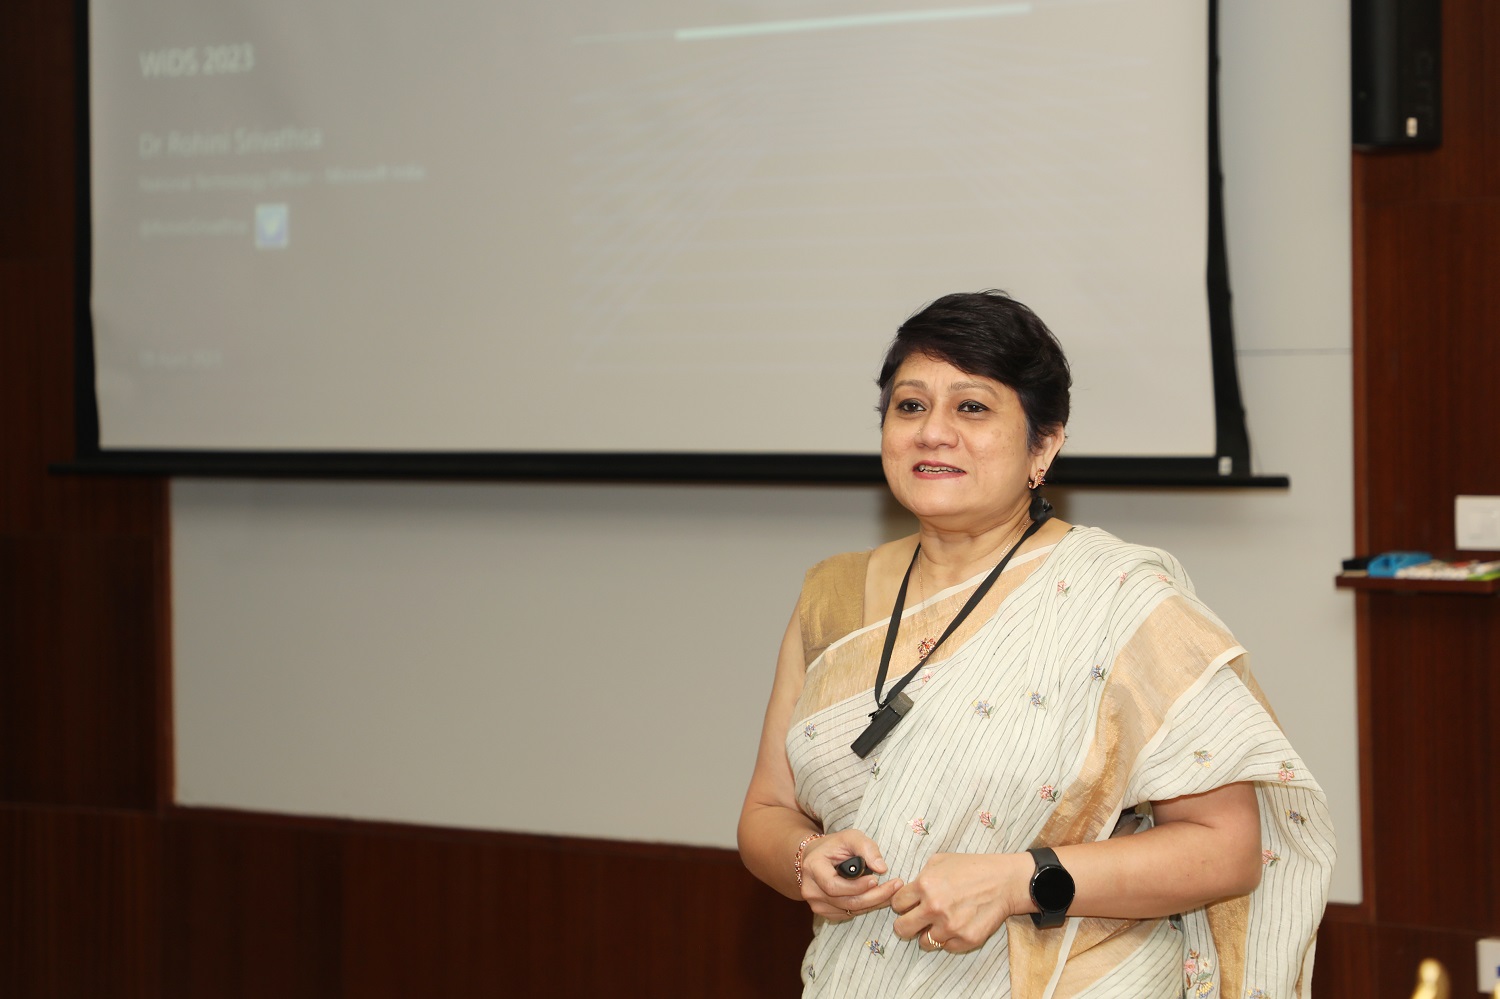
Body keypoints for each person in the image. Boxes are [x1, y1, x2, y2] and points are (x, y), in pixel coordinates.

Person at [737, 291, 1334, 998]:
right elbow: (766, 813)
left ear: (1043, 445)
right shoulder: (831, 595)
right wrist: (806, 856)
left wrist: (1018, 879)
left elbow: (1227, 848)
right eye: (910, 405)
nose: (933, 432)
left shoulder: (1119, 597)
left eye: (972, 407)